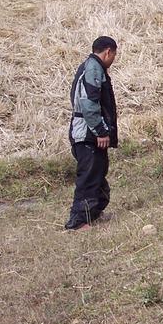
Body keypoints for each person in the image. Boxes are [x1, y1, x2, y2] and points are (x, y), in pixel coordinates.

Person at [65, 36, 118, 231]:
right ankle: (77, 222)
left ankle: (93, 214)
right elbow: (88, 103)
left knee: (98, 173)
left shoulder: (90, 67)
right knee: (88, 177)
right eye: (114, 55)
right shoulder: (94, 68)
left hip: (88, 133)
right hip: (87, 134)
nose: (113, 60)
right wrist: (100, 131)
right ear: (108, 52)